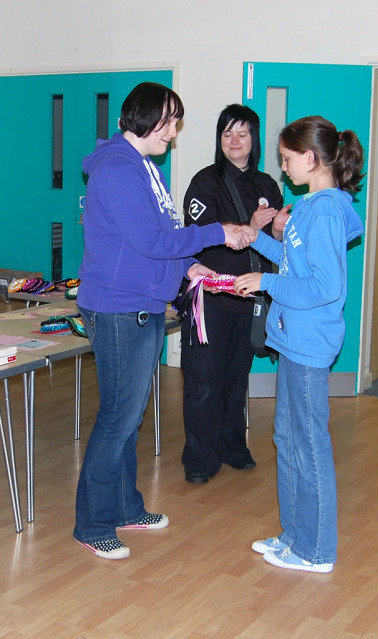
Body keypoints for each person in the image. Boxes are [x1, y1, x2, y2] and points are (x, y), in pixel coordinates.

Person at [73, 82, 249, 560]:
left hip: (142, 304)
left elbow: (164, 235)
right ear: (146, 119)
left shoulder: (144, 166)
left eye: (175, 122)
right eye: (169, 122)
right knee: (118, 417)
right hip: (118, 307)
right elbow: (151, 241)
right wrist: (217, 232)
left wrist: (190, 268)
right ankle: (92, 523)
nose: (173, 132)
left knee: (129, 417)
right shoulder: (118, 168)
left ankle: (125, 507)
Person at [234, 115, 365, 573]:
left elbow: (325, 286)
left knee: (308, 445)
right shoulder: (310, 205)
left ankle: (317, 550)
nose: (283, 167)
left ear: (311, 159)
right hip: (294, 340)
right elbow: (293, 260)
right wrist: (256, 239)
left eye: (287, 159)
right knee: (287, 438)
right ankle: (294, 536)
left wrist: (266, 282)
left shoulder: (325, 210)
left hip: (309, 345)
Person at [180, 104, 286, 484]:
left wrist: (276, 230)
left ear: (254, 139)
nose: (235, 140)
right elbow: (201, 239)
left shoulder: (267, 185)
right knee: (203, 379)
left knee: (236, 377)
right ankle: (200, 458)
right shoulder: (204, 183)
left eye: (242, 133)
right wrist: (248, 225)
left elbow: (275, 245)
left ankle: (232, 446)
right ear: (219, 139)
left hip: (250, 298)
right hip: (210, 299)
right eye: (228, 133)